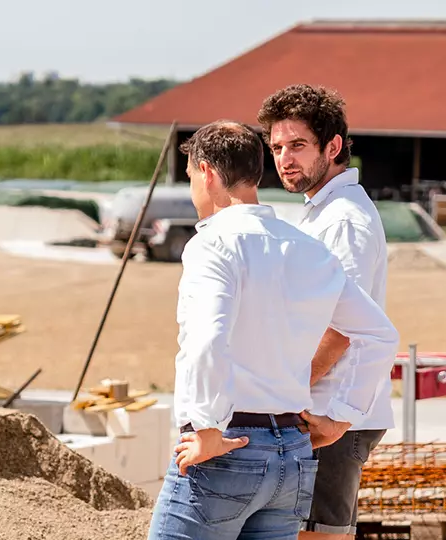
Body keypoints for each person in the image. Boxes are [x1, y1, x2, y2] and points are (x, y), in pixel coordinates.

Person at [147, 120, 399, 540]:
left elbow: (207, 339)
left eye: (191, 175)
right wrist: (341, 416)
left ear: (206, 172)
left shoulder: (212, 244)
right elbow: (380, 335)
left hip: (227, 448)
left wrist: (207, 430)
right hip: (292, 458)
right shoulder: (306, 247)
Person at [258, 84, 392, 540]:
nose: (284, 159)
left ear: (333, 146)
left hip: (333, 412)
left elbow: (343, 327)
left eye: (297, 145)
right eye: (276, 147)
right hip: (326, 405)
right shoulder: (324, 210)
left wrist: (288, 386)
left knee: (319, 536)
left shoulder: (345, 220)